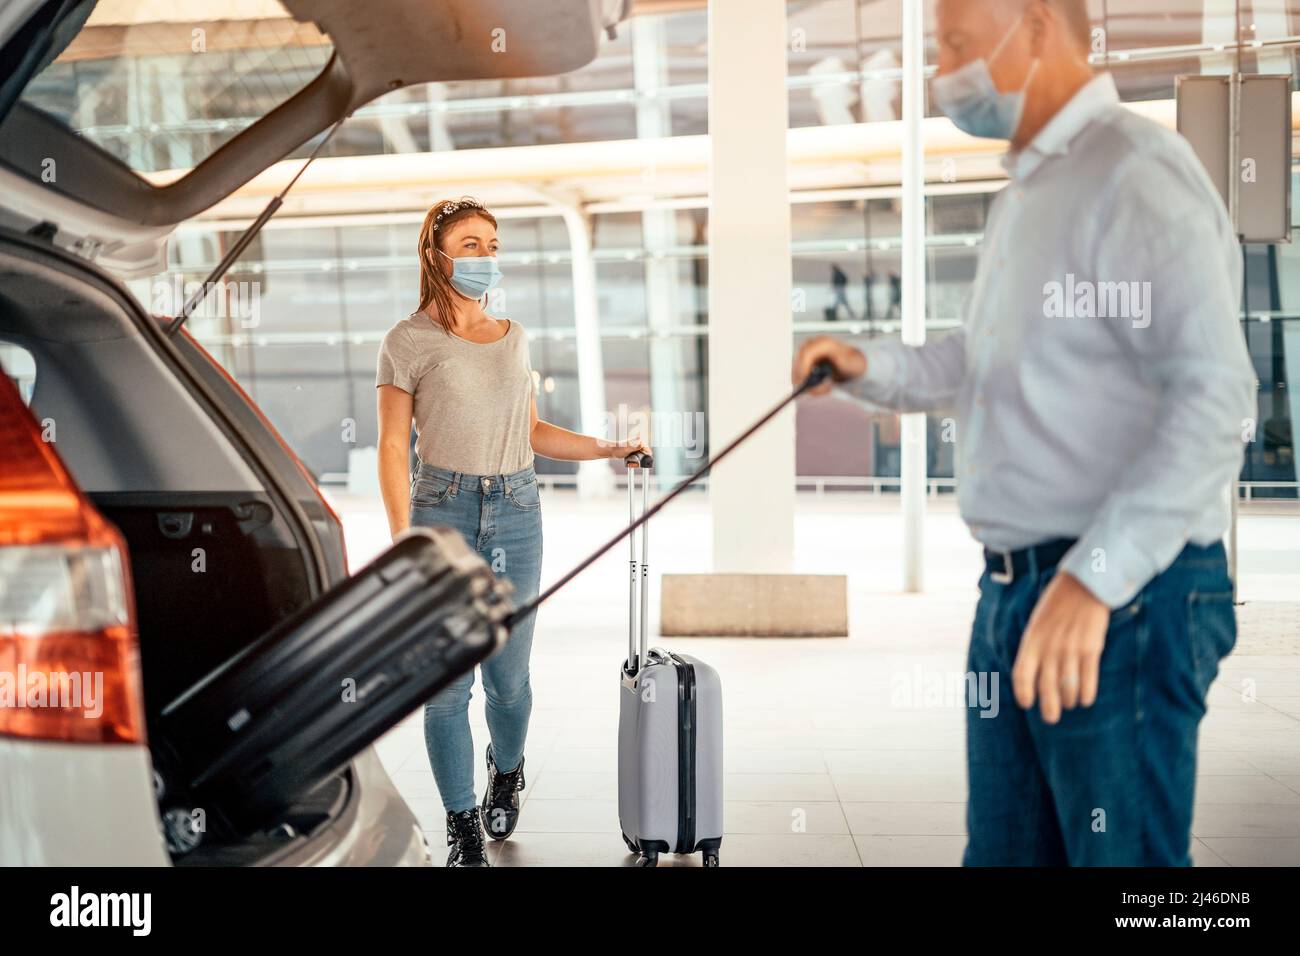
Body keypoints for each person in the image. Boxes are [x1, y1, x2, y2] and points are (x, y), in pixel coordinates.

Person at [794, 0, 1257, 865]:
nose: (943, 72)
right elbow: (985, 362)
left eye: (959, 44)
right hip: (1012, 592)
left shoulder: (1136, 169)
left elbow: (1216, 395)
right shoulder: (1032, 189)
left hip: (1122, 598)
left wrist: (1094, 580)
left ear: (1038, 25)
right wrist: (867, 367)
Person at [376, 197, 648, 867]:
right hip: (442, 510)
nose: (483, 256)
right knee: (447, 685)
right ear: (435, 253)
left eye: (490, 243)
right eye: (469, 244)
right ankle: (462, 823)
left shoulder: (512, 335)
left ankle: (507, 768)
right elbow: (389, 446)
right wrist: (403, 541)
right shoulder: (406, 341)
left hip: (517, 512)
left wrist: (607, 449)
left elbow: (530, 430)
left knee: (508, 680)